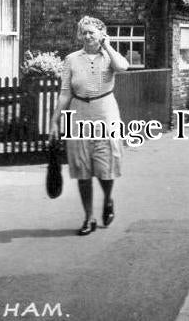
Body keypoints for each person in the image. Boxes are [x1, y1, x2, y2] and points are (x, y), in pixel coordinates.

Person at [50, 16, 131, 236]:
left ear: (101, 34)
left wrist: (107, 46)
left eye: (92, 32)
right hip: (79, 114)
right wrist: (55, 120)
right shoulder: (71, 59)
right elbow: (65, 92)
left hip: (105, 113)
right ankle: (89, 217)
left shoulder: (109, 57)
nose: (87, 36)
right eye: (84, 32)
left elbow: (123, 67)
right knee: (82, 167)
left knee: (105, 167)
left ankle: (108, 200)